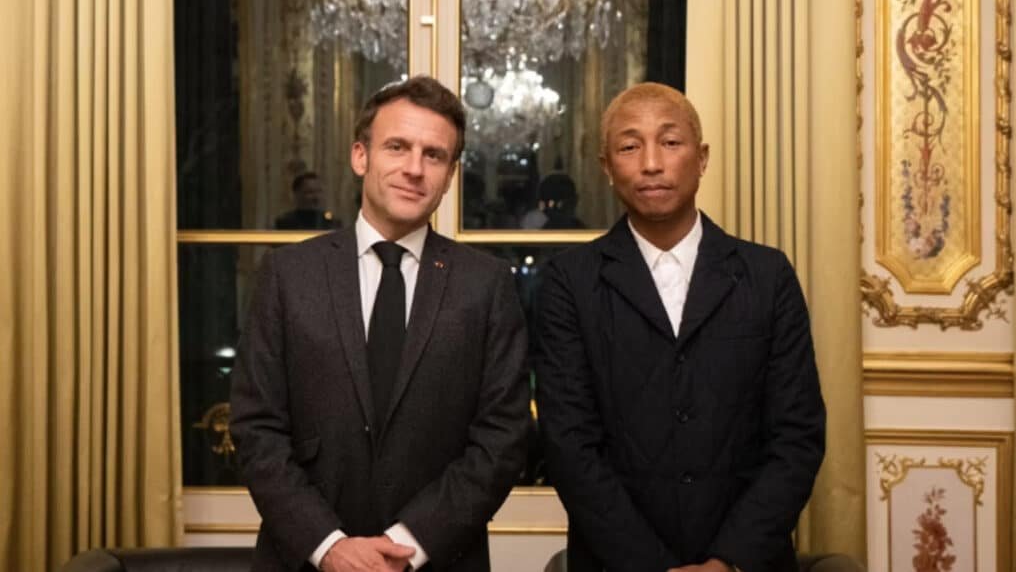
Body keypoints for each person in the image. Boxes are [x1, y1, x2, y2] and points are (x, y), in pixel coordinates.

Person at [231, 76, 530, 572]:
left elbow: (503, 439)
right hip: (306, 560)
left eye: (434, 155)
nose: (414, 169)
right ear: (360, 156)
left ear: (451, 174)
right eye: (397, 147)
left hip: (437, 561)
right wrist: (329, 547)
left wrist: (406, 544)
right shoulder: (288, 275)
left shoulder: (487, 284)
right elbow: (257, 427)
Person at [535, 82, 826, 572]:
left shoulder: (767, 276)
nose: (651, 163)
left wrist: (728, 561)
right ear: (607, 167)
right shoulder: (570, 282)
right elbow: (569, 445)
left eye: (670, 142)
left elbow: (797, 437)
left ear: (702, 157)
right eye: (630, 146)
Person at [274, 171, 341, 230]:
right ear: (297, 194)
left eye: (319, 191)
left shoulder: (332, 222)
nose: (316, 197)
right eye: (310, 192)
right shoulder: (286, 223)